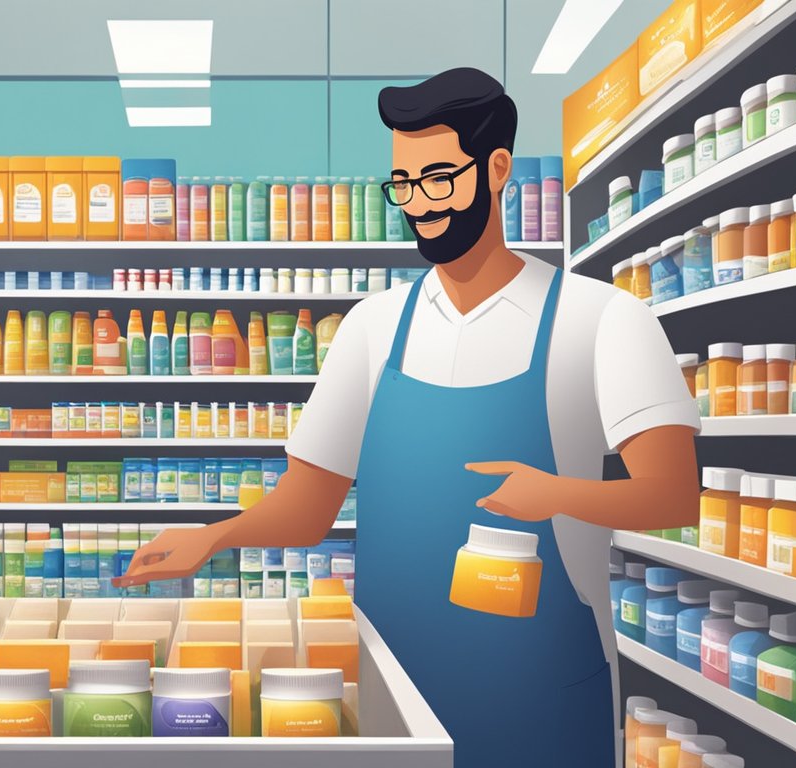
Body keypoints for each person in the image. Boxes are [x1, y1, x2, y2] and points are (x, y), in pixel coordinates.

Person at [116, 68, 700, 765]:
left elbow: (674, 493)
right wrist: (215, 536)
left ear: (497, 169)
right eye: (404, 184)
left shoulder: (602, 320)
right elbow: (307, 509)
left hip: (539, 703)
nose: (419, 204)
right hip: (397, 700)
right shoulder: (371, 328)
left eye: (439, 179)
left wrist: (552, 495)